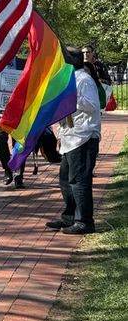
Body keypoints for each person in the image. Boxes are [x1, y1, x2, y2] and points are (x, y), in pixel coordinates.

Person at [47, 48, 102, 235]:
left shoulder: (84, 80)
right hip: (70, 138)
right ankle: (69, 216)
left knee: (79, 181)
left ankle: (85, 221)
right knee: (65, 180)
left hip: (83, 138)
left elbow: (94, 106)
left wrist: (72, 98)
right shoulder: (69, 81)